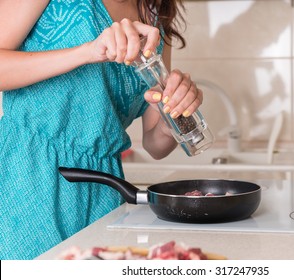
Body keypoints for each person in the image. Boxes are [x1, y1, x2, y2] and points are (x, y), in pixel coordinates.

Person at [0, 0, 202, 260]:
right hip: (25, 176)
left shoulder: (155, 15)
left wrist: (173, 112)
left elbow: (155, 143)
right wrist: (87, 52)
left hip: (104, 189)